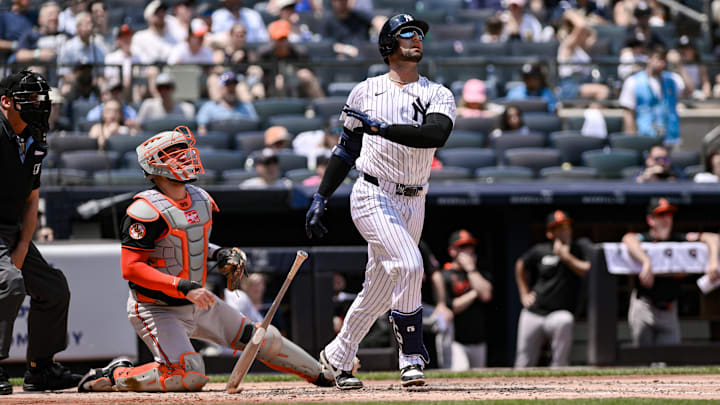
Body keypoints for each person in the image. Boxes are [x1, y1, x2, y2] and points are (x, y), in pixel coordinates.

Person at [77, 126, 334, 392]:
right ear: (154, 165)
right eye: (174, 153)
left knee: (262, 338)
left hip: (198, 302)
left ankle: (322, 374)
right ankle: (115, 374)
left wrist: (220, 253)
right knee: (188, 375)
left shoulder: (199, 199)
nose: (184, 156)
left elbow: (189, 243)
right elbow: (131, 268)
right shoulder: (144, 210)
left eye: (183, 151)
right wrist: (184, 287)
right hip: (157, 308)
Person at [305, 14, 456, 389]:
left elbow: (434, 134)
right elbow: (345, 150)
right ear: (389, 45)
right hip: (373, 191)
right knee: (409, 264)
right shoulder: (365, 91)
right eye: (407, 33)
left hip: (414, 198)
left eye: (420, 33)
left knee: (378, 291)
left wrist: (382, 128)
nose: (417, 38)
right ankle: (411, 358)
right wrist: (322, 196)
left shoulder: (438, 93)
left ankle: (337, 357)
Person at [0, 70, 81, 395]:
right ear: (5, 102)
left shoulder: (33, 137)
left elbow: (32, 200)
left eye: (39, 98)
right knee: (8, 282)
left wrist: (21, 245)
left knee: (53, 288)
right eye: (28, 99)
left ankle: (40, 369)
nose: (37, 104)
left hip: (11, 229)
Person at [622, 198, 719, 346]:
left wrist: (713, 262)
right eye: (661, 215)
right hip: (645, 306)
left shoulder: (679, 240)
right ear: (650, 220)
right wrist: (646, 261)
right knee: (641, 358)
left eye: (668, 215)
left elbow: (712, 237)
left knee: (669, 361)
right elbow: (628, 238)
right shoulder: (645, 239)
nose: (666, 219)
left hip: (669, 309)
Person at [514, 210, 590, 368]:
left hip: (559, 313)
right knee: (524, 362)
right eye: (558, 227)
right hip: (534, 311)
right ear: (550, 233)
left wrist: (566, 257)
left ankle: (558, 381)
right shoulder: (541, 249)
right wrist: (524, 293)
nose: (563, 230)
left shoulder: (579, 247)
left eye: (566, 226)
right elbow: (520, 265)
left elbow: (586, 270)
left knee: (565, 321)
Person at [441, 230, 493, 370]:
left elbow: (486, 295)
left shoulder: (479, 272)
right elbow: (452, 307)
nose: (468, 250)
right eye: (462, 247)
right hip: (455, 341)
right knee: (460, 372)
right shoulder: (445, 274)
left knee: (480, 381)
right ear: (452, 251)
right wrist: (475, 292)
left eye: (470, 246)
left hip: (479, 340)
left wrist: (471, 269)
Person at [619, 46, 684, 146]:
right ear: (648, 59)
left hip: (671, 138)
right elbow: (628, 114)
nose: (661, 63)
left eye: (664, 60)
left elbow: (689, 90)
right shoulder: (633, 81)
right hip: (645, 138)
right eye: (658, 58)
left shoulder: (672, 79)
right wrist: (632, 140)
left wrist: (679, 65)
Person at [256, 20, 325, 99]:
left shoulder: (299, 52)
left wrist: (292, 78)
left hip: (297, 85)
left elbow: (311, 73)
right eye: (279, 39)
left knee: (305, 75)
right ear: (272, 40)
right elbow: (261, 73)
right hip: (272, 87)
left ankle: (321, 106)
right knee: (279, 82)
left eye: (284, 38)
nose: (282, 42)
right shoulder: (264, 54)